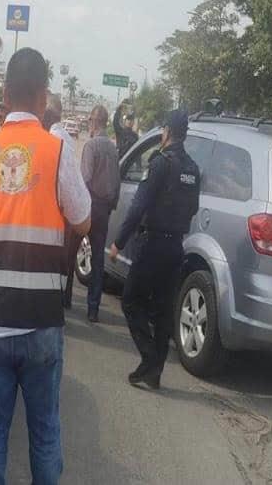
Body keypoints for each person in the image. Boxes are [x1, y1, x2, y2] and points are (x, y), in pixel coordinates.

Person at [0, 48, 91, 485]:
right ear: (42, 97)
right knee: (45, 434)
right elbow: (83, 219)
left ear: (3, 94)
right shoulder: (57, 152)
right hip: (41, 323)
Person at [109, 110, 200, 389]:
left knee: (130, 301)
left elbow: (139, 206)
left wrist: (118, 242)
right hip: (176, 246)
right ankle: (154, 374)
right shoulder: (192, 169)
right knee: (161, 311)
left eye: (162, 131)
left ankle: (149, 360)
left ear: (167, 132)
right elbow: (194, 208)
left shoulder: (160, 163)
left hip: (152, 244)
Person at [81, 105, 120, 322]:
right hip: (104, 208)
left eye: (89, 121)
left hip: (89, 206)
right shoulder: (113, 149)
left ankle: (65, 298)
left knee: (70, 253)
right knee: (98, 259)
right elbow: (117, 182)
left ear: (94, 122)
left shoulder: (91, 146)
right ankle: (93, 309)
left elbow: (84, 179)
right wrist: (110, 205)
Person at [43, 93, 79, 310]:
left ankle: (55, 302)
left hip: (53, 212)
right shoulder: (67, 138)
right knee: (63, 260)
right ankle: (61, 300)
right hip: (64, 212)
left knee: (54, 260)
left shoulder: (53, 140)